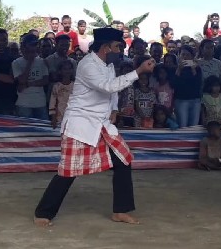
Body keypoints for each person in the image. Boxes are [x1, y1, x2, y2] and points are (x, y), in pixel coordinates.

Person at [34, 27, 156, 227]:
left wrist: (114, 108)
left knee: (123, 160)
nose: (120, 50)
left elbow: (112, 89)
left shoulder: (107, 64)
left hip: (102, 124)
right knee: (68, 171)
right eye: (118, 47)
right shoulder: (87, 64)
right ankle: (43, 212)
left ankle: (121, 211)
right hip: (81, 123)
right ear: (106, 47)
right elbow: (108, 86)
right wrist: (139, 71)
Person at [13, 35, 49, 119]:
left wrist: (28, 84)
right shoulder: (16, 63)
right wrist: (30, 61)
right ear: (24, 46)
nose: (33, 48)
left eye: (35, 45)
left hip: (40, 103)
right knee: (25, 131)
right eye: (31, 45)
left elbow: (45, 80)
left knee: (43, 130)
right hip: (23, 104)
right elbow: (22, 80)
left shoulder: (42, 61)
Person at [173, 46, 203, 127]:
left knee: (194, 126)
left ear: (192, 56)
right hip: (181, 100)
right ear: (179, 56)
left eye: (188, 55)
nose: (185, 57)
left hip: (195, 100)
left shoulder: (197, 69)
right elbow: (174, 85)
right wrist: (179, 69)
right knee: (182, 125)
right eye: (183, 54)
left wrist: (193, 69)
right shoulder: (175, 68)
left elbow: (198, 84)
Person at [49, 60, 74, 129]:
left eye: (69, 69)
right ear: (60, 71)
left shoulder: (76, 86)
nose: (67, 71)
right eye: (65, 69)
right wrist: (53, 118)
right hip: (59, 117)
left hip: (73, 117)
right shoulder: (56, 86)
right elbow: (52, 103)